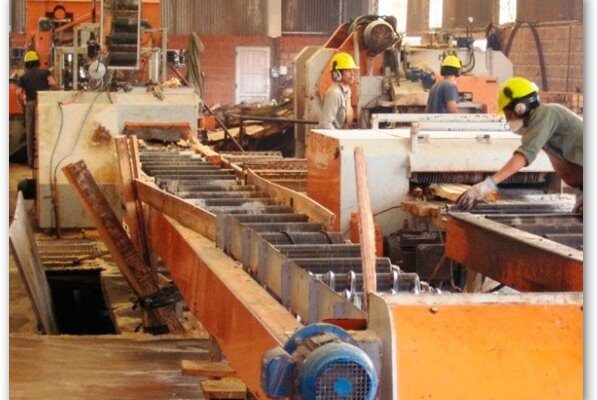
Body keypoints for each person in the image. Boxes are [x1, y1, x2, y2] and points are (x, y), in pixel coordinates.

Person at [457, 77, 583, 212]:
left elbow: (524, 155)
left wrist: (485, 187)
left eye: (508, 116)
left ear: (520, 108)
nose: (508, 121)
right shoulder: (542, 122)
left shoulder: (547, 114)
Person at [16, 50, 58, 167]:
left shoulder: (23, 77)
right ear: (37, 61)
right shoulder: (45, 73)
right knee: (46, 131)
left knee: (30, 134)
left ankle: (32, 162)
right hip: (44, 104)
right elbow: (54, 84)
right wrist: (52, 95)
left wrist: (23, 105)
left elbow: (18, 93)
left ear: (26, 64)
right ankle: (47, 161)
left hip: (30, 104)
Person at [317, 52, 358, 129]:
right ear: (337, 74)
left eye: (353, 70)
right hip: (335, 135)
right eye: (348, 70)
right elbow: (325, 125)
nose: (353, 73)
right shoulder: (334, 93)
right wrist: (338, 135)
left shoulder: (347, 91)